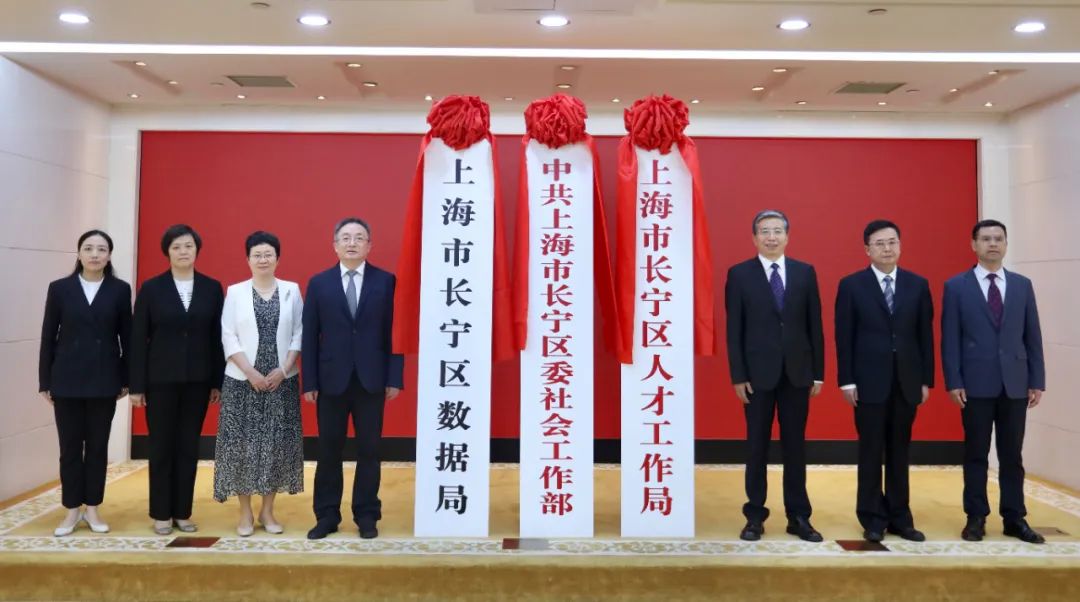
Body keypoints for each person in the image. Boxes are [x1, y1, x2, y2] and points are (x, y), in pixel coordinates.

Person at [941, 219, 1046, 544]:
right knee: (976, 453)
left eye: (998, 238)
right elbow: (950, 338)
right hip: (974, 384)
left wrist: (1037, 380)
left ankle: (1015, 517)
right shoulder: (956, 287)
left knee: (1012, 455)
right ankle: (976, 517)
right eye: (985, 239)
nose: (992, 244)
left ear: (1006, 244)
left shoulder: (1022, 285)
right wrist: (953, 380)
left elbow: (1032, 335)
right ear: (973, 245)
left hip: (1015, 383)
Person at [725, 209, 825, 542]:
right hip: (756, 377)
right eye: (765, 231)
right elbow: (734, 330)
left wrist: (818, 373)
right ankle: (754, 516)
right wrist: (738, 375)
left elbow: (815, 326)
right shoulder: (739, 275)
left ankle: (799, 516)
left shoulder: (805, 272)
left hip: (797, 374)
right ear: (754, 238)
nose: (771, 237)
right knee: (756, 446)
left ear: (787, 236)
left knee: (795, 447)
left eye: (777, 231)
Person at [302, 217, 403, 540]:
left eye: (359, 238)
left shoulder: (386, 281)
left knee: (369, 450)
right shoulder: (319, 283)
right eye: (345, 237)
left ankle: (367, 514)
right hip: (331, 380)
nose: (352, 243)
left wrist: (394, 376)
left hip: (371, 379)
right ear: (334, 245)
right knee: (328, 450)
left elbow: (395, 333)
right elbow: (310, 335)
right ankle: (327, 515)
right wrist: (309, 381)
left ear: (369, 246)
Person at [834, 220, 933, 543]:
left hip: (907, 380)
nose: (887, 248)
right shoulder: (852, 285)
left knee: (900, 452)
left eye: (892, 242)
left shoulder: (917, 285)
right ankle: (872, 518)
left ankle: (901, 518)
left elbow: (925, 336)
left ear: (900, 246)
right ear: (867, 249)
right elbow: (843, 336)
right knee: (871, 451)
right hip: (867, 382)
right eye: (879, 243)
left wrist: (926, 379)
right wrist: (846, 381)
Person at [129, 224, 225, 536]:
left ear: (197, 250)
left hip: (198, 381)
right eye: (176, 247)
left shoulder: (212, 288)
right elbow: (138, 339)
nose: (183, 252)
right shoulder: (151, 288)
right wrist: (137, 385)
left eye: (188, 246)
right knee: (160, 446)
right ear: (167, 252)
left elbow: (217, 338)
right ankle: (161, 513)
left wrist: (217, 381)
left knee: (188, 446)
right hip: (160, 380)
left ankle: (182, 512)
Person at [38, 230, 132, 537]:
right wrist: (45, 381)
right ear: (78, 253)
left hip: (105, 380)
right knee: (69, 448)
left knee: (97, 447)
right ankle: (70, 510)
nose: (94, 254)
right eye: (88, 248)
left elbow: (127, 337)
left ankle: (92, 508)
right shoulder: (60, 288)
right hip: (66, 380)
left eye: (101, 249)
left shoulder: (119, 289)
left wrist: (126, 379)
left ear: (109, 255)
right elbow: (48, 336)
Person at [214, 231, 304, 536]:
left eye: (269, 254)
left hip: (281, 380)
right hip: (242, 380)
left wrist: (284, 369)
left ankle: (267, 510)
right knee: (242, 446)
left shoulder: (292, 290)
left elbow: (299, 333)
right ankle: (245, 513)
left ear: (277, 258)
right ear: (248, 259)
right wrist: (250, 372)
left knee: (275, 445)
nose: (263, 259)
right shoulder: (235, 292)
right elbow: (228, 335)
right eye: (257, 255)